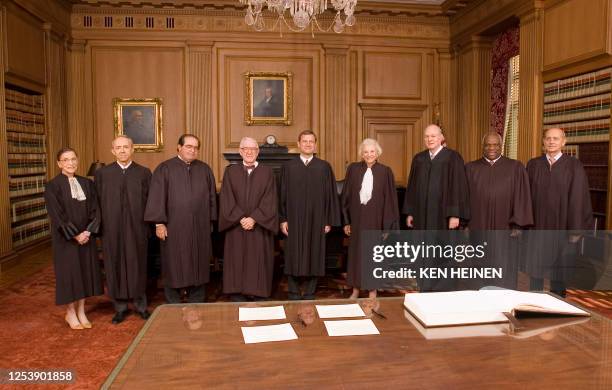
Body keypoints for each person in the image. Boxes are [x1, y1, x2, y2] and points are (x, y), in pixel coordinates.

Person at [144, 134, 217, 303]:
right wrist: (159, 223)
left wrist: (210, 222)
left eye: (195, 147)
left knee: (199, 262)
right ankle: (173, 302)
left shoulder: (204, 169)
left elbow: (212, 197)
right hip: (174, 227)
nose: (192, 150)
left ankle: (197, 299)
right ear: (179, 147)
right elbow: (157, 197)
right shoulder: (165, 168)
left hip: (199, 227)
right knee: (174, 263)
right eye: (188, 146)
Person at [526, 127, 593, 297]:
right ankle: (534, 301)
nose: (551, 141)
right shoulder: (533, 165)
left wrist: (576, 229)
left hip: (562, 226)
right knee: (536, 268)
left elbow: (579, 198)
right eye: (548, 138)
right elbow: (525, 197)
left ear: (564, 142)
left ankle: (558, 303)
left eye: (555, 138)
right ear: (543, 141)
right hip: (538, 226)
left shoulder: (574, 166)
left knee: (559, 269)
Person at [465, 132, 533, 288]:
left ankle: (504, 301)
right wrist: (465, 224)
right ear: (483, 146)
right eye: (488, 144)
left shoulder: (515, 167)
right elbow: (464, 198)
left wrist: (518, 224)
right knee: (479, 266)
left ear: (501, 146)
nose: (491, 148)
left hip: (506, 228)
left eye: (495, 144)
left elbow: (522, 196)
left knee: (504, 266)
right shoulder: (470, 168)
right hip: (478, 227)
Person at [95, 135, 152, 324]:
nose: (122, 150)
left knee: (138, 264)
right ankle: (119, 307)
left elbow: (150, 202)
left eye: (125, 147)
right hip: (111, 228)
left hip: (137, 228)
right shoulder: (103, 174)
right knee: (115, 264)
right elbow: (97, 203)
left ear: (132, 149)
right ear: (112, 151)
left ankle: (140, 305)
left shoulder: (144, 173)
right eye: (118, 148)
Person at [44, 148, 103, 329]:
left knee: (84, 273)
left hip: (86, 237)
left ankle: (81, 310)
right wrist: (75, 234)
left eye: (73, 159)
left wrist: (88, 232)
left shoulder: (87, 183)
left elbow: (96, 209)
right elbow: (57, 215)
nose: (70, 163)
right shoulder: (52, 186)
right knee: (70, 275)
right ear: (59, 163)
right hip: (66, 239)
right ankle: (70, 312)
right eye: (66, 160)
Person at [280, 130, 341, 300]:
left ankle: (310, 291)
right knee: (292, 254)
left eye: (311, 141)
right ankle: (293, 291)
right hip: (293, 219)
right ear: (298, 144)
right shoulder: (288, 167)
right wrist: (283, 219)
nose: (308, 144)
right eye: (304, 141)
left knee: (315, 253)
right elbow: (282, 194)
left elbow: (330, 195)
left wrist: (328, 220)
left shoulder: (324, 167)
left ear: (315, 145)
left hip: (317, 219)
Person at [219, 137, 278, 301]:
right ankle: (237, 292)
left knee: (258, 260)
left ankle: (258, 292)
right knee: (236, 259)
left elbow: (270, 200)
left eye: (253, 149)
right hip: (236, 227)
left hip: (259, 226)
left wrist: (254, 218)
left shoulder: (267, 172)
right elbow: (227, 199)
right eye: (246, 148)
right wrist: (240, 218)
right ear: (240, 151)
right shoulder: (230, 172)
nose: (249, 152)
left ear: (258, 152)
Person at [341, 138, 399, 299]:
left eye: (372, 151)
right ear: (361, 154)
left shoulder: (385, 171)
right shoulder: (353, 169)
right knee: (356, 256)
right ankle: (355, 290)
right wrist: (346, 221)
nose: (369, 155)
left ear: (377, 153)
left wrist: (387, 227)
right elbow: (345, 196)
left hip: (376, 221)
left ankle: (372, 290)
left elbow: (390, 200)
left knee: (372, 256)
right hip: (357, 220)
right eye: (365, 152)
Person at [403, 124, 470, 230]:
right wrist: (410, 212)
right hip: (421, 215)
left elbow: (458, 188)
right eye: (427, 136)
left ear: (441, 137)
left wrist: (455, 214)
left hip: (443, 216)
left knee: (441, 244)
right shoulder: (418, 159)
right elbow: (412, 188)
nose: (429, 139)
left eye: (433, 136)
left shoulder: (453, 158)